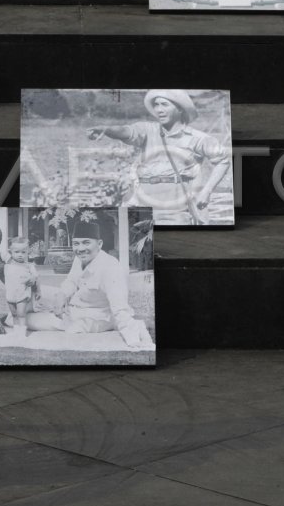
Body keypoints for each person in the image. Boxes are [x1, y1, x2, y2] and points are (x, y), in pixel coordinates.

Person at [86, 90, 231, 225]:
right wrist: (107, 129)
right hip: (140, 201)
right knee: (134, 245)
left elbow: (223, 160)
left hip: (174, 204)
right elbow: (126, 131)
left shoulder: (198, 138)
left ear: (180, 109)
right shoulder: (148, 130)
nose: (159, 110)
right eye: (156, 105)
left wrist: (206, 191)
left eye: (164, 104)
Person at [26, 222, 151, 348]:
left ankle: (136, 327)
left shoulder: (110, 267)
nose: (80, 249)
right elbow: (72, 281)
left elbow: (120, 308)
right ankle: (25, 312)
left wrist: (133, 340)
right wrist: (62, 295)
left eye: (86, 242)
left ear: (99, 244)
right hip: (74, 304)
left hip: (93, 316)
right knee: (32, 292)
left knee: (24, 319)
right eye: (76, 243)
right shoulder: (80, 258)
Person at [3, 237, 40, 334]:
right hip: (10, 294)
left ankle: (22, 332)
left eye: (23, 252)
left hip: (22, 294)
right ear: (11, 252)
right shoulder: (8, 263)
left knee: (21, 314)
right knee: (14, 314)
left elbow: (36, 276)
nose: (20, 255)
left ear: (28, 252)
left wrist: (33, 280)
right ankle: (16, 331)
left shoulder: (29, 265)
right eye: (17, 252)